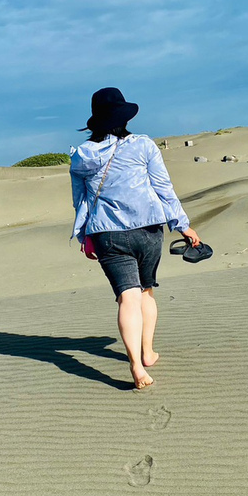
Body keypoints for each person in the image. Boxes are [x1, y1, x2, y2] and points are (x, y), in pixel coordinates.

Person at [71, 87, 201, 390]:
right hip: (147, 230)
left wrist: (83, 235)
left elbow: (81, 201)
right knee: (144, 292)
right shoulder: (143, 146)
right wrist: (183, 226)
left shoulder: (81, 155)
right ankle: (148, 352)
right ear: (124, 117)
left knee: (126, 297)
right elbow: (163, 188)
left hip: (105, 233)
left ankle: (135, 366)